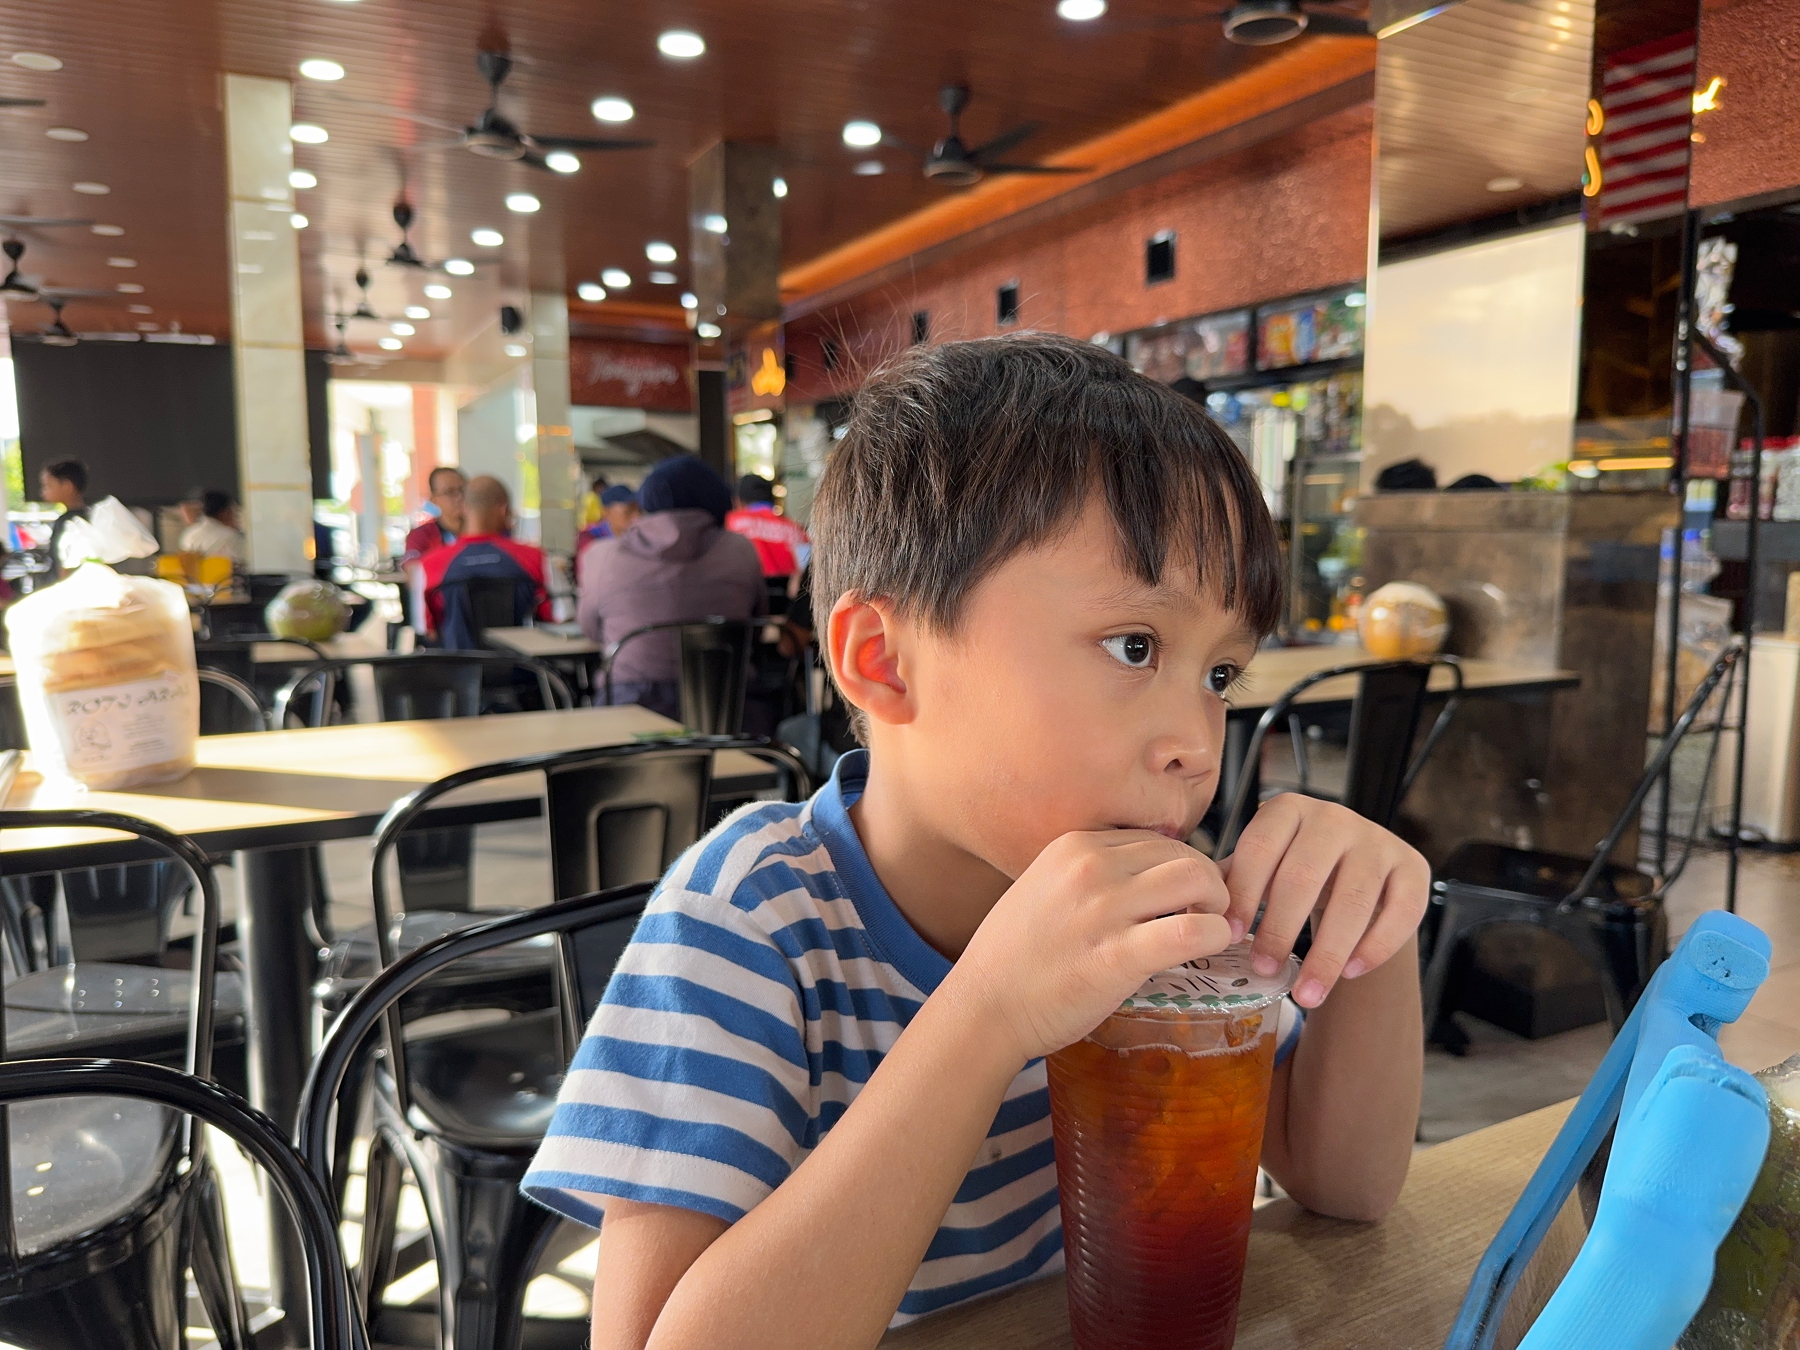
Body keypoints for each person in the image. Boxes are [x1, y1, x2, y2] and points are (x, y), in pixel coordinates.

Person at [525, 335, 1429, 1346]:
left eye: (1221, 676)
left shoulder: (1155, 918)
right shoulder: (750, 921)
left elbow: (1345, 1186)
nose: (1196, 744)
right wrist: (991, 1012)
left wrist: (1365, 929)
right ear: (885, 661)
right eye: (1134, 645)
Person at [575, 455, 765, 718]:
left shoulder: (602, 555)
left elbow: (591, 630)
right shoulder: (741, 550)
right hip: (729, 711)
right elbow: (755, 627)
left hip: (630, 711)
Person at [414, 475, 550, 648]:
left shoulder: (429, 565)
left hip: (457, 664)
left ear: (464, 508)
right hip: (524, 662)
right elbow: (556, 617)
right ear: (504, 509)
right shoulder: (535, 557)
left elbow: (427, 630)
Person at [726, 473, 811, 579]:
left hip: (744, 587)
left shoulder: (730, 523)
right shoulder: (797, 530)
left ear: (737, 501)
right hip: (790, 588)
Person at [404, 466, 467, 561]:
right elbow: (413, 567)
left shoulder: (484, 530)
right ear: (434, 500)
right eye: (449, 492)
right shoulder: (422, 535)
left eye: (463, 490)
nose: (459, 497)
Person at [39, 460, 89, 578]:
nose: (43, 492)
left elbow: (65, 564)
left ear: (68, 486)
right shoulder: (90, 515)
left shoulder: (66, 522)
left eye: (48, 486)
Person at [575, 484, 641, 566]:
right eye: (628, 512)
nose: (636, 517)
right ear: (606, 512)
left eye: (639, 511)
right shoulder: (589, 538)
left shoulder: (637, 537)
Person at [178, 489, 246, 564]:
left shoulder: (188, 535)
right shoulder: (231, 537)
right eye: (234, 513)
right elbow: (248, 562)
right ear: (225, 512)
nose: (235, 518)